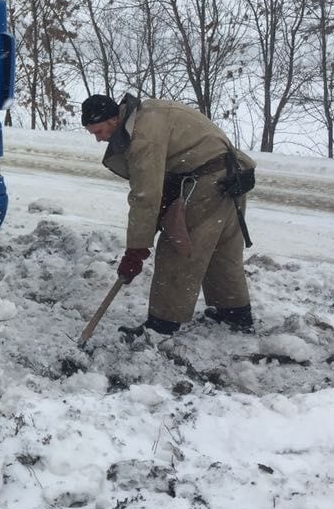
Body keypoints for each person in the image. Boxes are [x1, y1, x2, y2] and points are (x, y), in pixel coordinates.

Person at [81, 92, 257, 336]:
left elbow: (146, 195)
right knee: (221, 248)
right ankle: (234, 313)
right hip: (230, 174)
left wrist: (136, 249)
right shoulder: (146, 113)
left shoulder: (142, 136)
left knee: (178, 248)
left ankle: (161, 324)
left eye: (98, 131)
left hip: (208, 181)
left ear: (113, 120)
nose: (99, 139)